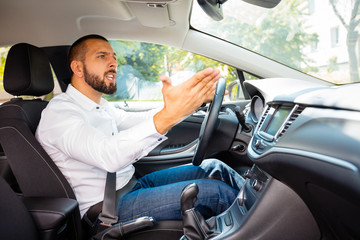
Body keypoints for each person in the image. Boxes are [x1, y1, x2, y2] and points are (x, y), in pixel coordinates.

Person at [35, 34, 244, 233]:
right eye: (102, 56)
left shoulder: (99, 105)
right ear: (78, 68)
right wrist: (169, 115)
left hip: (131, 186)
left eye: (114, 57)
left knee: (214, 168)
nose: (113, 63)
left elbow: (132, 121)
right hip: (107, 210)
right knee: (216, 194)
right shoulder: (60, 114)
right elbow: (108, 156)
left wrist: (185, 106)